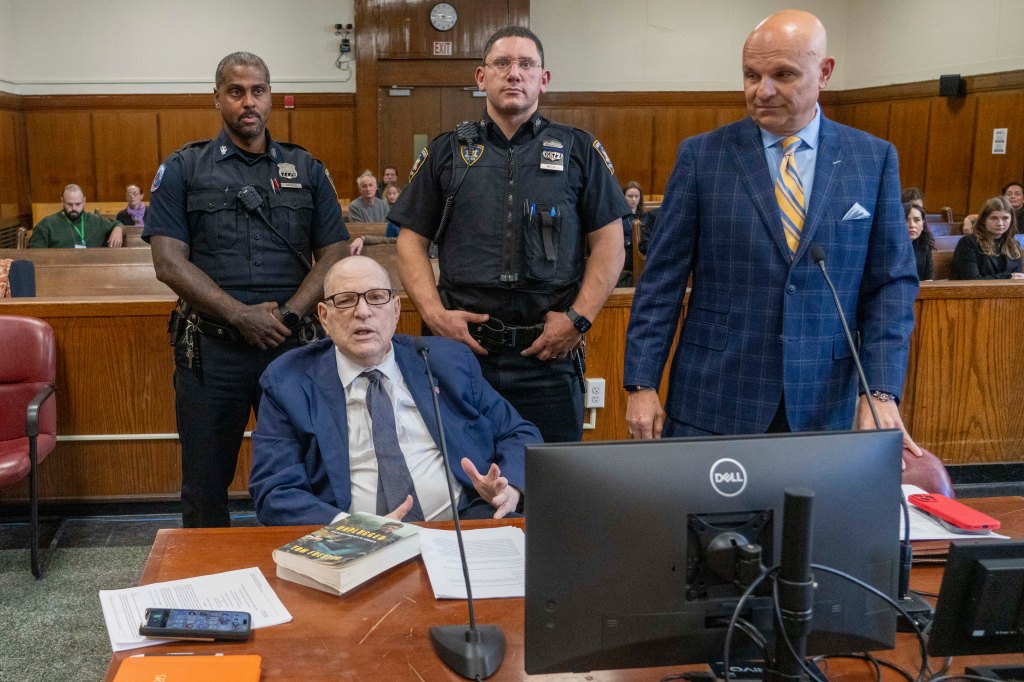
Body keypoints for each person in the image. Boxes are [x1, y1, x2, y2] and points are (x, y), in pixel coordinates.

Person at [624, 10, 921, 459]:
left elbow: (890, 286)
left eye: (782, 75)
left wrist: (879, 390)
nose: (762, 91)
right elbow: (661, 282)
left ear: (824, 73)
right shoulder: (703, 157)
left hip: (828, 404)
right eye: (751, 75)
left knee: (817, 530)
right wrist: (641, 383)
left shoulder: (871, 160)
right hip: (716, 399)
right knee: (709, 529)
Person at [391, 26, 628, 443]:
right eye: (502, 63)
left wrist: (578, 320)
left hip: (548, 357)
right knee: (461, 488)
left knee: (552, 488)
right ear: (482, 78)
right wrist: (433, 315)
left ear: (543, 78)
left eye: (526, 64)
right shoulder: (446, 151)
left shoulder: (578, 150)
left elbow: (609, 241)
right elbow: (410, 240)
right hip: (461, 356)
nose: (514, 73)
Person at [144, 51, 349, 527]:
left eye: (258, 90)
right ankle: (209, 586)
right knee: (204, 482)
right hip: (213, 353)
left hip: (293, 347)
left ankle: (313, 576)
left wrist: (290, 316)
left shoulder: (307, 169)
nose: (248, 102)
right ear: (217, 98)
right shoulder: (184, 168)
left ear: (271, 97)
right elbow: (168, 263)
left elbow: (335, 253)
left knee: (313, 473)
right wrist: (240, 315)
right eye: (236, 92)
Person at [249, 256, 537, 526]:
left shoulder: (447, 361)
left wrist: (509, 488)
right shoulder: (288, 381)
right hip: (352, 544)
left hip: (460, 527)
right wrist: (352, 529)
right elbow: (275, 490)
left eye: (376, 298)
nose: (363, 312)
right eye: (346, 301)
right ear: (324, 316)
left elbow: (518, 433)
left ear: (396, 309)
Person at [29, 184, 124, 248]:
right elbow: (35, 253)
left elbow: (117, 224)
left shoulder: (96, 221)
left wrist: (118, 229)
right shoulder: (47, 224)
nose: (74, 208)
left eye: (78, 204)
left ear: (84, 201)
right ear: (62, 201)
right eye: (69, 204)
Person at [952, 196, 1024, 280]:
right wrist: (1008, 276)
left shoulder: (1013, 245)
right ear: (983, 220)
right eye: (993, 218)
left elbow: (1018, 277)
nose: (1000, 223)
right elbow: (972, 280)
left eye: (1005, 218)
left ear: (1011, 220)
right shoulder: (968, 243)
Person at [905, 202, 934, 281]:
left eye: (917, 220)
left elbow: (929, 278)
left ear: (923, 225)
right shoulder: (889, 246)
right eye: (906, 220)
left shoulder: (925, 245)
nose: (912, 225)